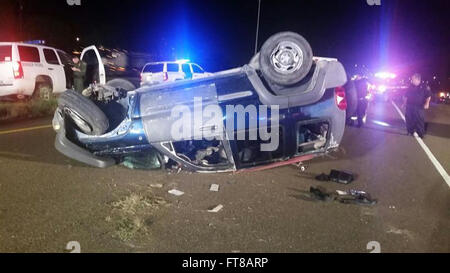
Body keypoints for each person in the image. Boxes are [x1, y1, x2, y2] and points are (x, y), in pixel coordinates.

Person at [403, 73, 431, 138]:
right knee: (409, 119)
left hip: (419, 107)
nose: (411, 80)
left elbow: (428, 96)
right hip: (409, 106)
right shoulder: (410, 86)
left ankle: (421, 133)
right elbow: (405, 96)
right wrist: (404, 103)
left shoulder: (424, 86)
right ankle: (410, 131)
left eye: (413, 79)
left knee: (420, 120)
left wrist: (427, 103)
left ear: (417, 79)